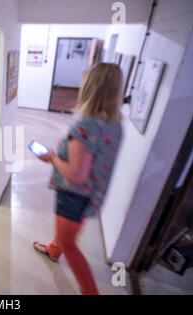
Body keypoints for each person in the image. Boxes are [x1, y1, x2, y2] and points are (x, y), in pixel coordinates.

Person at [33, 63, 124, 295]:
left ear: (91, 88)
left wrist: (52, 157)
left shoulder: (85, 126)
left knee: (69, 244)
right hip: (92, 195)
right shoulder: (115, 125)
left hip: (73, 195)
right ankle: (54, 249)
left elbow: (76, 174)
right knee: (67, 235)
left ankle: (89, 291)